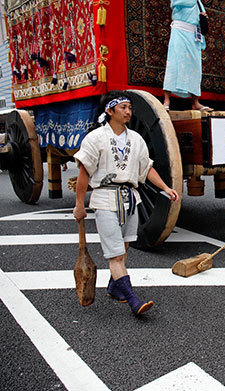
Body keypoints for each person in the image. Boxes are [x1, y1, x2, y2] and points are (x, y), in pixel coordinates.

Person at [73, 91, 180, 315]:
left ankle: (114, 287)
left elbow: (146, 168)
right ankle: (133, 300)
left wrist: (165, 188)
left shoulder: (136, 139)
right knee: (116, 255)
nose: (128, 111)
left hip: (130, 198)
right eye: (123, 107)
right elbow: (84, 171)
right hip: (104, 199)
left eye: (129, 107)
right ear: (109, 111)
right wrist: (79, 204)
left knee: (124, 247)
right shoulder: (96, 138)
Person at [163, 0, 211, 111]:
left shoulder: (198, 2)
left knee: (195, 68)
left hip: (194, 35)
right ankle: (166, 100)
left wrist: (202, 17)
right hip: (180, 31)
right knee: (174, 64)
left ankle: (195, 102)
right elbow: (175, 3)